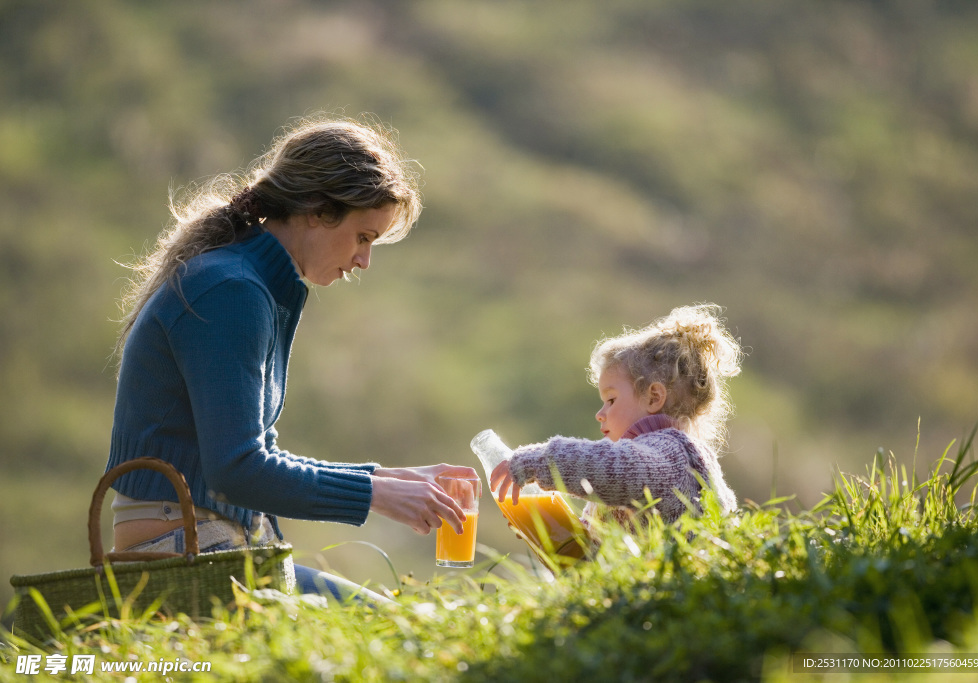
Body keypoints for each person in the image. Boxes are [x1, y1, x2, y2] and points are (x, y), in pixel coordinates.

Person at [106, 114, 476, 602]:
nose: (365, 261)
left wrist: (387, 479)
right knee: (404, 631)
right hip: (182, 553)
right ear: (317, 212)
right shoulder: (231, 291)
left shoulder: (246, 284)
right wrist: (378, 495)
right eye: (363, 237)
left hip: (210, 544)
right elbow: (237, 471)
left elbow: (256, 458)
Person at [489, 304, 741, 538]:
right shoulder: (643, 461)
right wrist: (555, 537)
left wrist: (539, 461)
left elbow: (613, 467)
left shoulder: (672, 454)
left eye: (611, 400)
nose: (600, 413)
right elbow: (597, 559)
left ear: (654, 397)